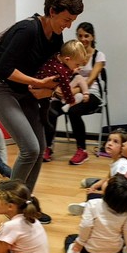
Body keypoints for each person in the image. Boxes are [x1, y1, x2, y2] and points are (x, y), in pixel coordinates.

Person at [0, 0, 82, 194]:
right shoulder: (27, 30)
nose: (69, 26)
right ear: (52, 11)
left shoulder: (56, 38)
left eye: (72, 21)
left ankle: (24, 201)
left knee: (39, 148)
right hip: (0, 87)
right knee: (30, 149)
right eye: (67, 20)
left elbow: (50, 73)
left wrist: (49, 90)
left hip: (25, 91)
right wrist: (39, 84)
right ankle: (9, 200)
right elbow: (4, 69)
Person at [44, 22, 106, 165]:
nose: (83, 39)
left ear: (92, 37)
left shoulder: (98, 55)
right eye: (80, 36)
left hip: (90, 94)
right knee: (50, 110)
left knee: (73, 111)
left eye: (86, 36)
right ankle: (47, 147)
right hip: (68, 93)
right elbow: (62, 74)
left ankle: (82, 150)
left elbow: (90, 81)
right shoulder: (71, 54)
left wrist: (71, 91)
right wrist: (58, 89)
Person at [64, 174, 127, 253]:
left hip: (91, 252)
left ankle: (76, 252)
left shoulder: (93, 204)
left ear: (107, 192)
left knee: (70, 238)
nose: (105, 181)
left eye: (108, 182)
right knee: (121, 237)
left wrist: (79, 243)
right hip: (114, 251)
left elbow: (86, 225)